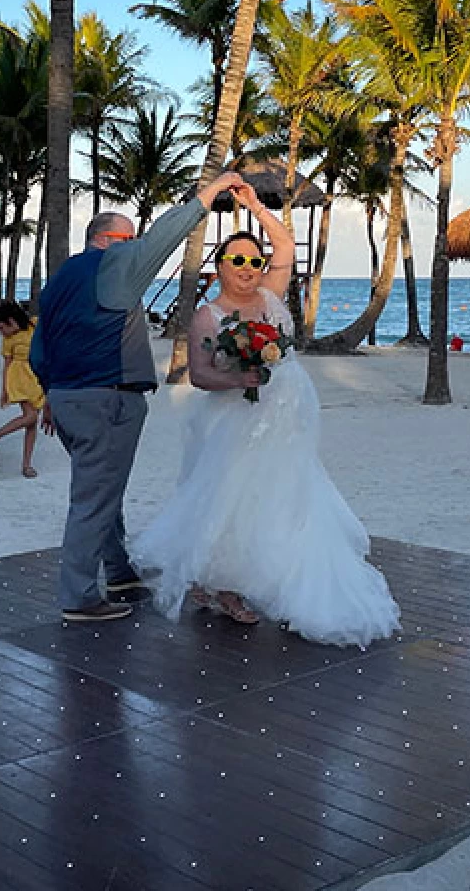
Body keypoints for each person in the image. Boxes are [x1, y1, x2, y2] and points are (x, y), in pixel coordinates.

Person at [132, 179, 401, 647]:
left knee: (288, 496)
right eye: (237, 260)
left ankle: (265, 581)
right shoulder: (207, 317)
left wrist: (255, 206)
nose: (248, 268)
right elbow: (199, 376)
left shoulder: (273, 294)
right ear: (219, 268)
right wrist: (239, 378)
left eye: (254, 261)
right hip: (233, 419)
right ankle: (228, 587)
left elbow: (284, 245)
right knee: (234, 498)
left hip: (288, 413)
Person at [30, 170, 246, 623]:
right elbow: (167, 234)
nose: (134, 247)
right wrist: (213, 189)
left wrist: (52, 395)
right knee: (92, 499)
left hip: (67, 397)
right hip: (106, 399)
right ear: (109, 240)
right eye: (127, 239)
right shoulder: (116, 263)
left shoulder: (62, 277)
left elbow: (39, 349)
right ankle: (80, 597)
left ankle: (120, 572)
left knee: (100, 490)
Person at [0, 302, 45, 479]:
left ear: (11, 321)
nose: (0, 332)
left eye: (1, 327)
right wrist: (4, 389)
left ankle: (27, 464)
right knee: (31, 416)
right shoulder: (8, 340)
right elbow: (7, 363)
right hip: (19, 378)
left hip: (38, 376)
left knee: (31, 423)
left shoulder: (35, 325)